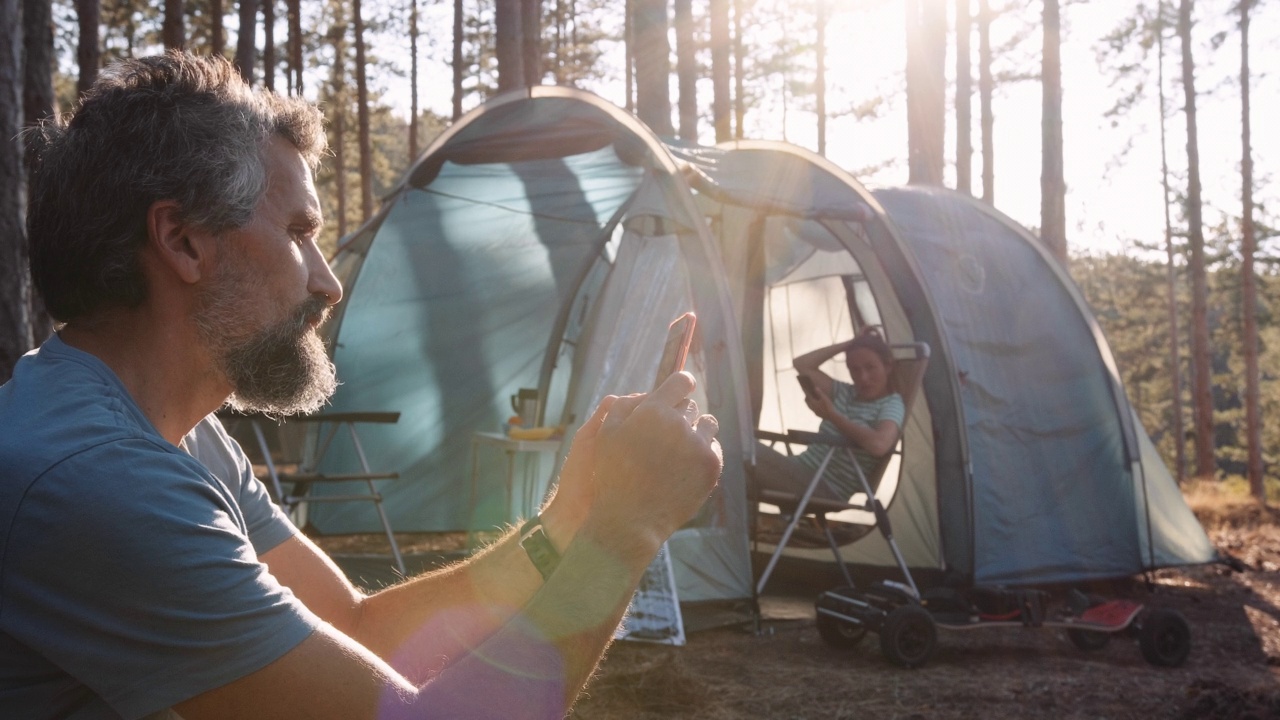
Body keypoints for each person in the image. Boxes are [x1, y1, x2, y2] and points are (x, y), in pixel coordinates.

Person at [0, 52, 723, 720]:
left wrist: (568, 519)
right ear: (183, 241)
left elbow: (354, 626)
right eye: (298, 231)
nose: (328, 281)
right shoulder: (98, 478)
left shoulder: (169, 434)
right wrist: (626, 529)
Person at [751, 327, 905, 502]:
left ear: (888, 366)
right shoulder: (845, 392)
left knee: (737, 449)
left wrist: (832, 416)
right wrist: (850, 344)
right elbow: (802, 364)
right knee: (728, 476)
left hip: (824, 487)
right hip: (800, 469)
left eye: (871, 368)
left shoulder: (891, 404)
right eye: (855, 370)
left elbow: (879, 445)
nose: (863, 377)